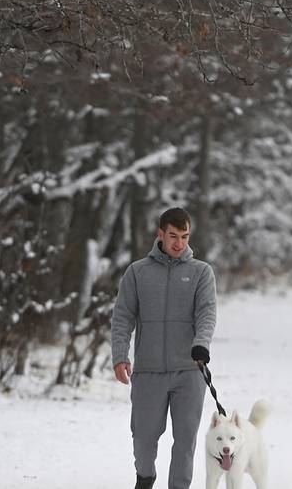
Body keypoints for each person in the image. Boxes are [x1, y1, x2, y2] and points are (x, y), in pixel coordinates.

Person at [111, 207, 218, 489]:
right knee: (143, 438)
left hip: (190, 369)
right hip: (148, 371)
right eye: (173, 236)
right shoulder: (137, 272)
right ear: (160, 234)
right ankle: (145, 478)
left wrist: (201, 345)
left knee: (185, 440)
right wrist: (120, 356)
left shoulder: (201, 272)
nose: (179, 243)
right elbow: (122, 316)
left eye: (184, 237)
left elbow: (206, 314)